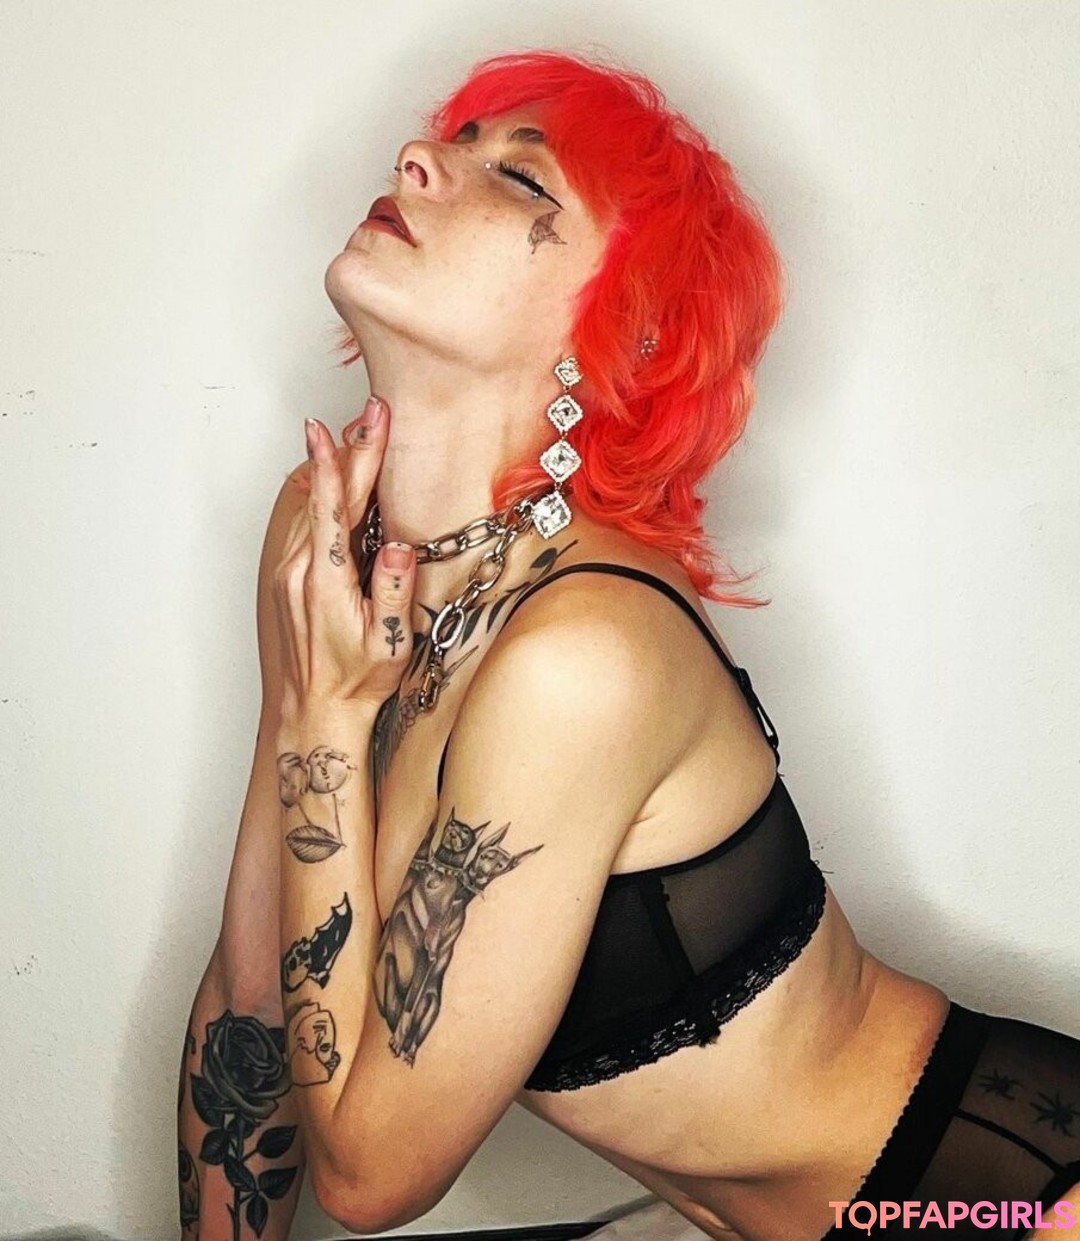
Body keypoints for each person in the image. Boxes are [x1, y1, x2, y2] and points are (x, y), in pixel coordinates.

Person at [176, 49, 1080, 1241]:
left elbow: (371, 1172)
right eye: (453, 140)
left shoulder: (584, 653)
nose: (418, 160)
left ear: (625, 333)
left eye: (523, 179)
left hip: (992, 1191)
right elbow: (252, 991)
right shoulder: (323, 530)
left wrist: (329, 721)